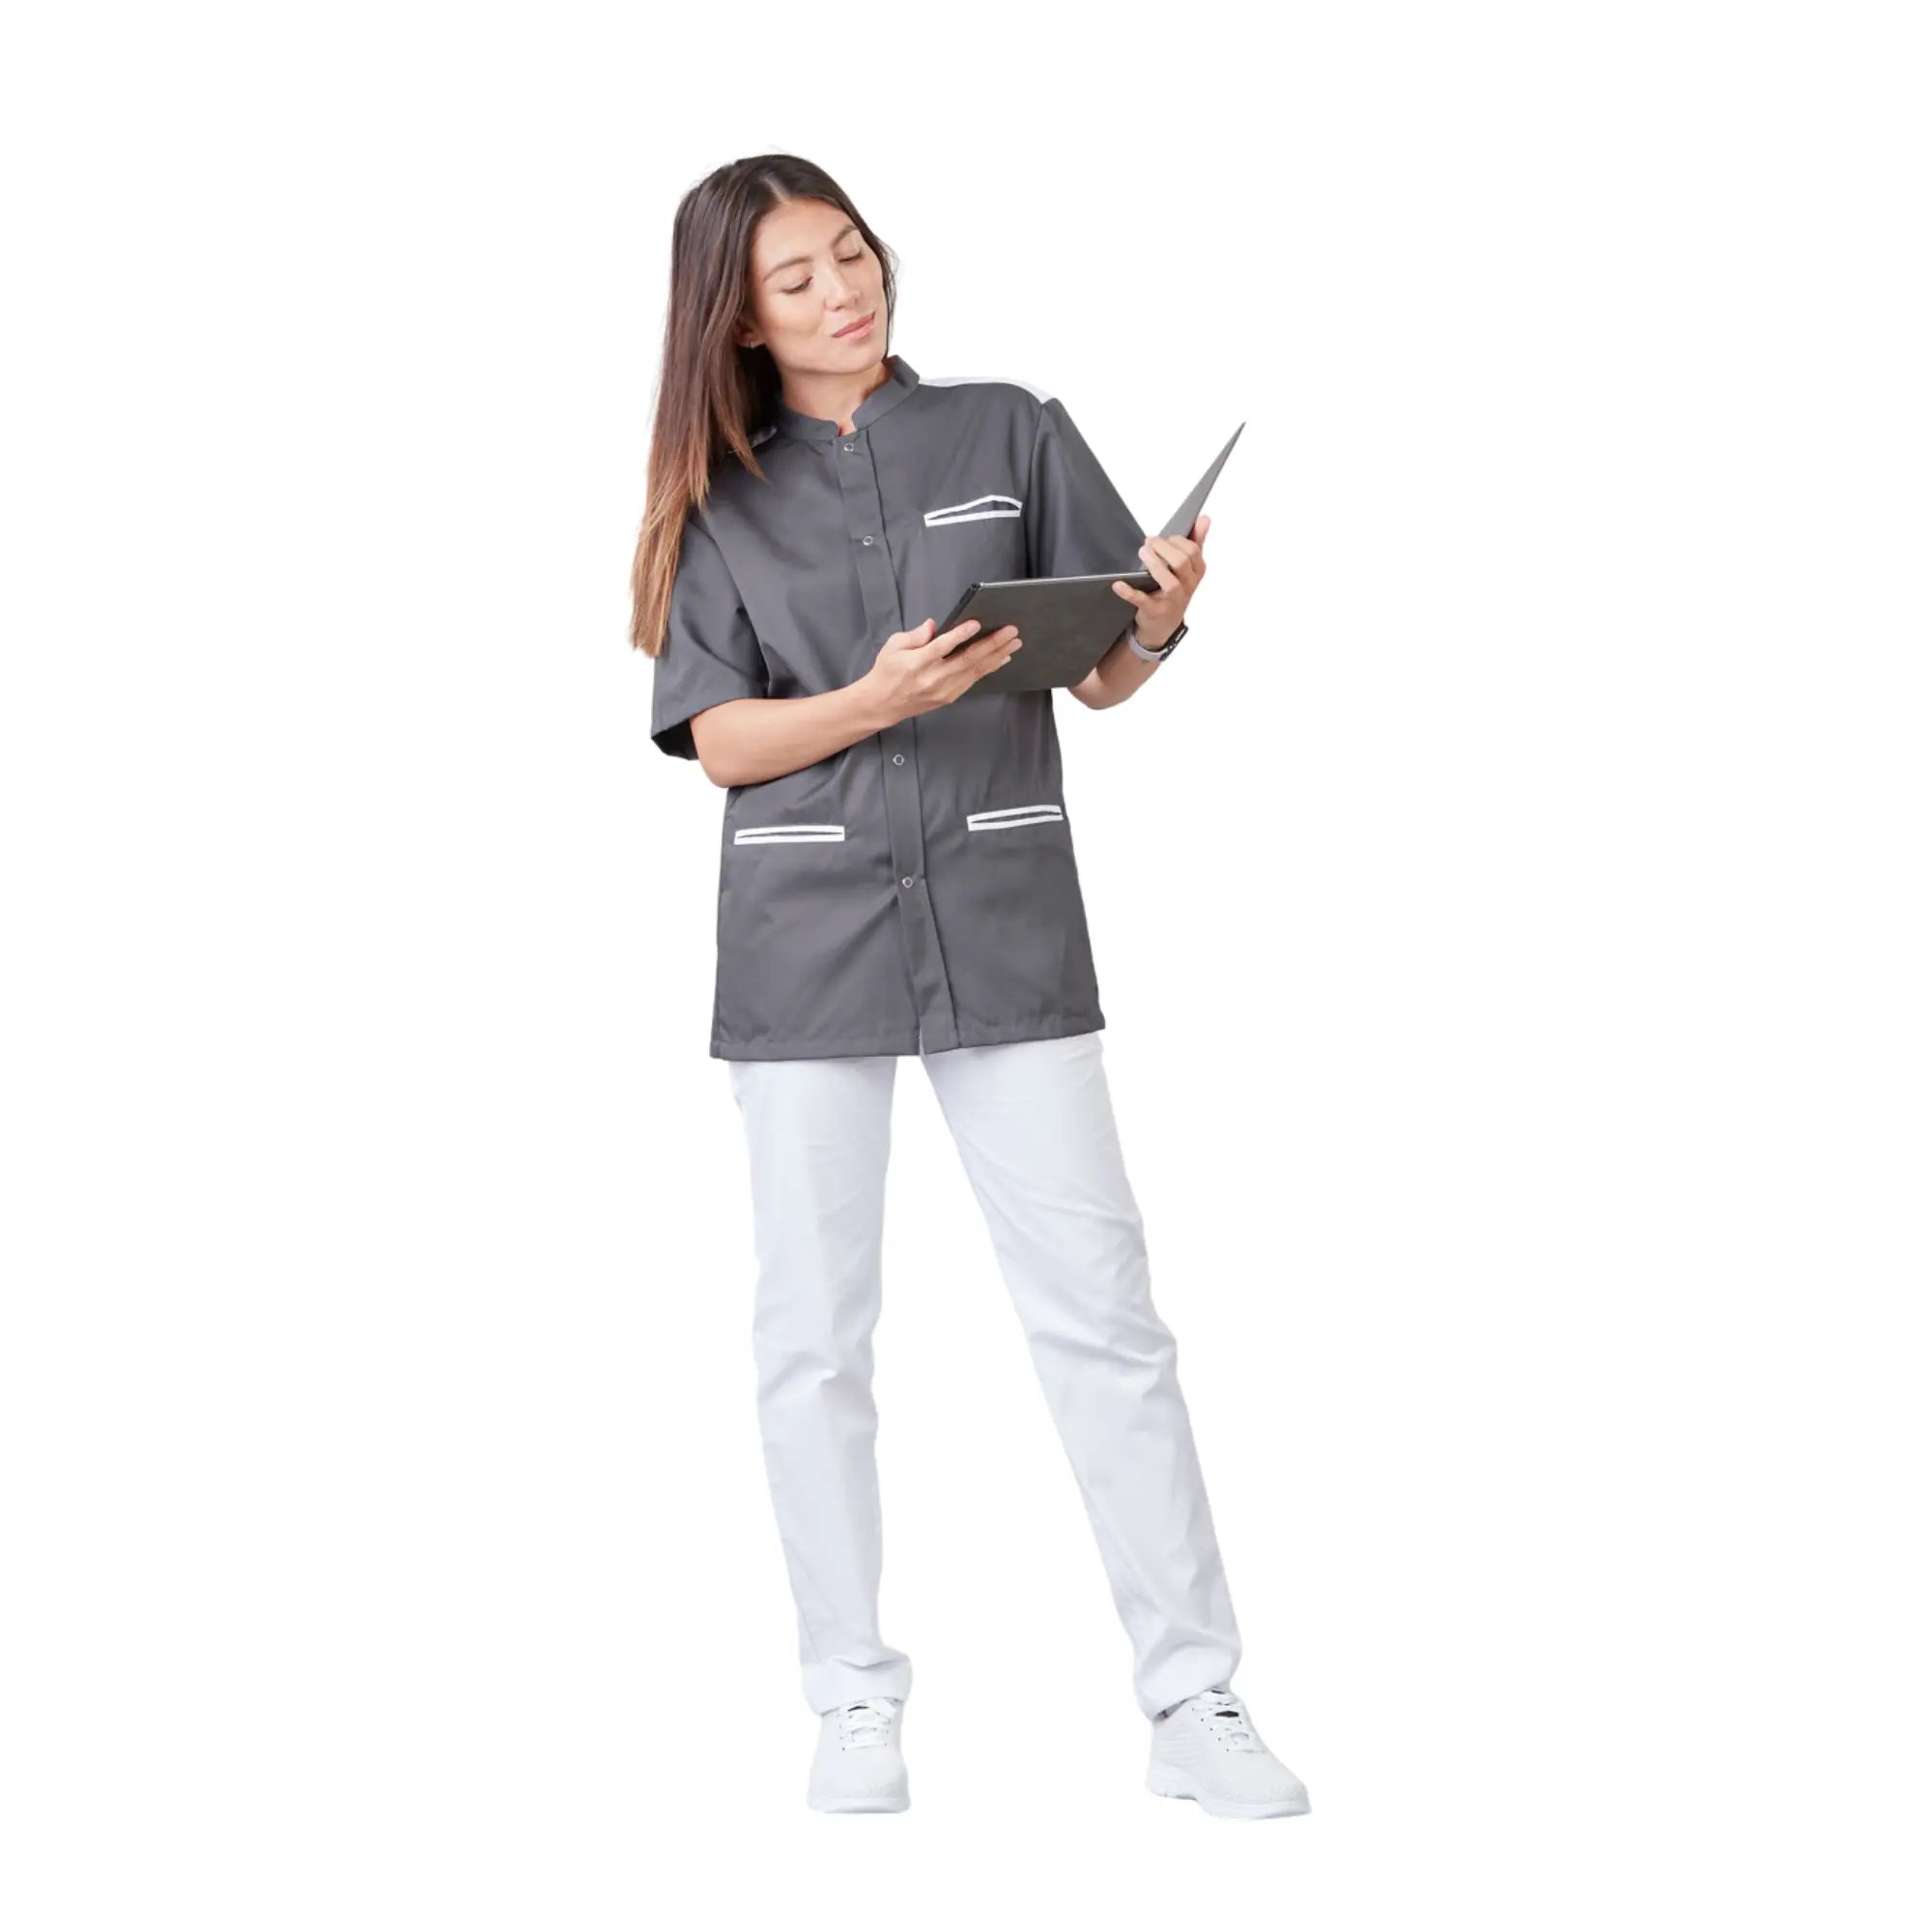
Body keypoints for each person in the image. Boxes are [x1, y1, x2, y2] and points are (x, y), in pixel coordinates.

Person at [631, 154, 1310, 1823]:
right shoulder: (719, 500)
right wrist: (871, 703)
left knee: (1105, 1315)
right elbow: (721, 740)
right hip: (808, 943)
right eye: (795, 279)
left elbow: (1105, 681)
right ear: (737, 319)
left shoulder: (1008, 429)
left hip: (1005, 926)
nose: (842, 292)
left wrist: (1161, 621)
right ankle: (851, 1698)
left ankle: (1193, 1697)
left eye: (850, 254)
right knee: (815, 1335)